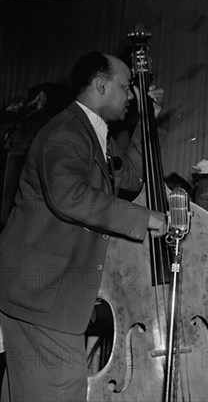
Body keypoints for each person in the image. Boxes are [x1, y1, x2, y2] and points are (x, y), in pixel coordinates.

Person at [0, 51, 167, 401]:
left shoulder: (95, 137)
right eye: (126, 87)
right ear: (101, 85)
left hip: (44, 294)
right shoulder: (66, 133)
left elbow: (133, 176)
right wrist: (146, 218)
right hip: (41, 294)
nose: (131, 96)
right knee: (62, 391)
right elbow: (69, 195)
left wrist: (146, 122)